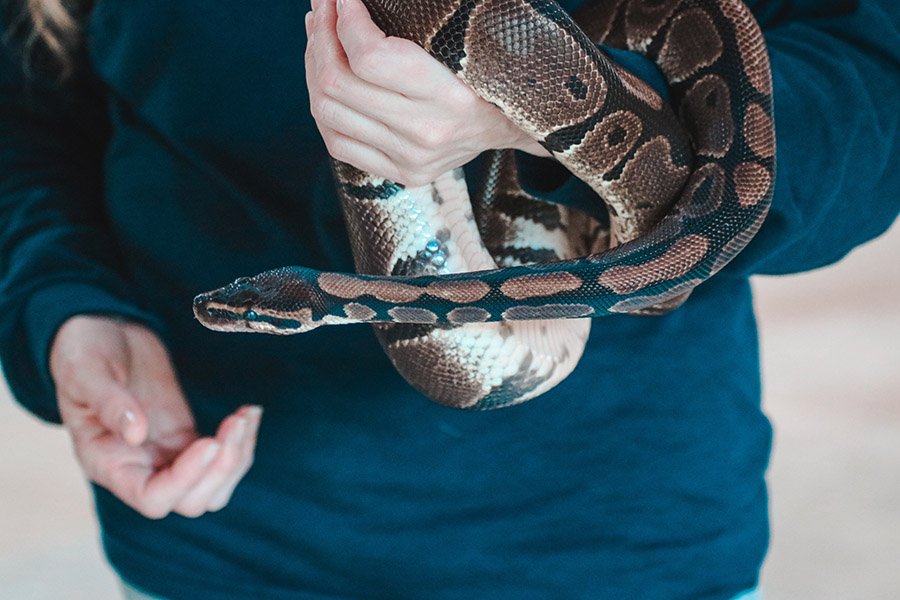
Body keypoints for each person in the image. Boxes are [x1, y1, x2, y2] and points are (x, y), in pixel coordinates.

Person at [1, 0, 897, 597]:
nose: (229, 307)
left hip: (610, 541)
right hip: (223, 544)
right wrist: (68, 306)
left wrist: (533, 122)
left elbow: (876, 90)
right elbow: (29, 111)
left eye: (244, 307)